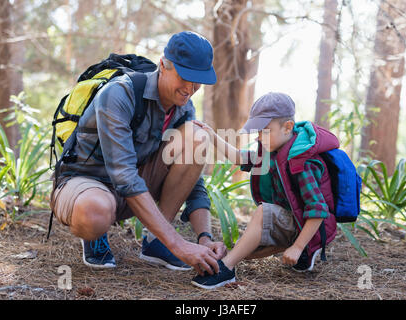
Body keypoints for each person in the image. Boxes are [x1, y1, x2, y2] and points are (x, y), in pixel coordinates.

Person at [50, 31, 226, 275]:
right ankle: (97, 236)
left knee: (198, 136)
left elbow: (192, 177)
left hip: (132, 187)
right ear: (163, 65)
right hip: (86, 183)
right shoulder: (119, 93)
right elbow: (124, 176)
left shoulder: (183, 108)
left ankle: (156, 241)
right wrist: (177, 244)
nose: (191, 88)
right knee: (95, 212)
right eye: (185, 77)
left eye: (199, 81)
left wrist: (204, 237)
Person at [191, 92, 339, 289]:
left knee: (262, 212)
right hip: (294, 221)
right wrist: (211, 134)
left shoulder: (302, 161)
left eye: (265, 131)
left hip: (307, 228)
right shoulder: (272, 151)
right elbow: (239, 158)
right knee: (244, 250)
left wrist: (297, 246)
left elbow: (318, 209)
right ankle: (227, 261)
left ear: (288, 127)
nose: (260, 137)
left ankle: (226, 270)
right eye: (258, 132)